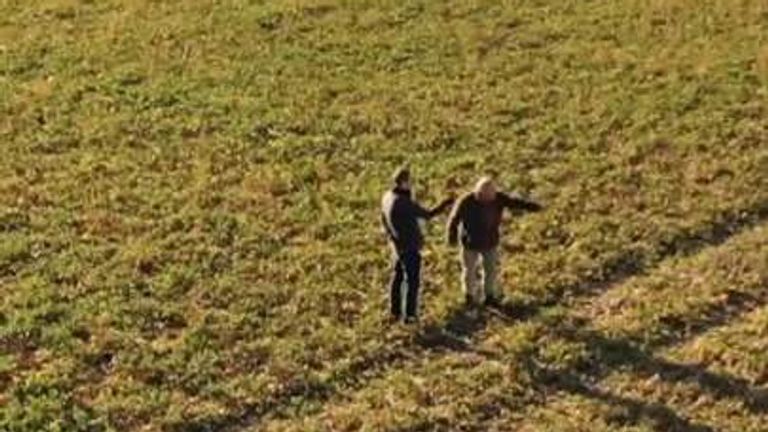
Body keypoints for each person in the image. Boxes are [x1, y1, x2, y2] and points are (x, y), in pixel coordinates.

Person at [447, 175, 542, 307]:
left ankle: (489, 296)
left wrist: (533, 207)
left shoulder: (499, 198)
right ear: (477, 192)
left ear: (493, 193)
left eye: (489, 197)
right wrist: (451, 236)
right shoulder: (466, 201)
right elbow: (454, 219)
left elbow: (515, 202)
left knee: (490, 270)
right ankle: (469, 296)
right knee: (469, 271)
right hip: (470, 243)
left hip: (490, 242)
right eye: (483, 196)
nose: (486, 200)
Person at [381, 167, 454, 323]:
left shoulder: (387, 197)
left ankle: (394, 311)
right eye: (410, 181)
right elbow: (427, 214)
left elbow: (383, 220)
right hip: (409, 246)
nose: (412, 184)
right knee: (412, 281)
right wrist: (445, 203)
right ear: (403, 182)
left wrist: (391, 237)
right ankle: (410, 316)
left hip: (397, 245)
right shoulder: (403, 202)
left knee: (397, 277)